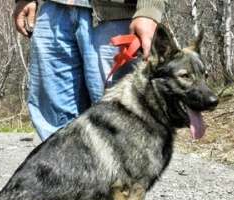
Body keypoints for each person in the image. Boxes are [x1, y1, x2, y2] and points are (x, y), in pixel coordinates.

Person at [13, 0, 167, 141]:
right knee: (55, 131)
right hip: (54, 10)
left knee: (122, 128)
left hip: (117, 14)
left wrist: (149, 9)